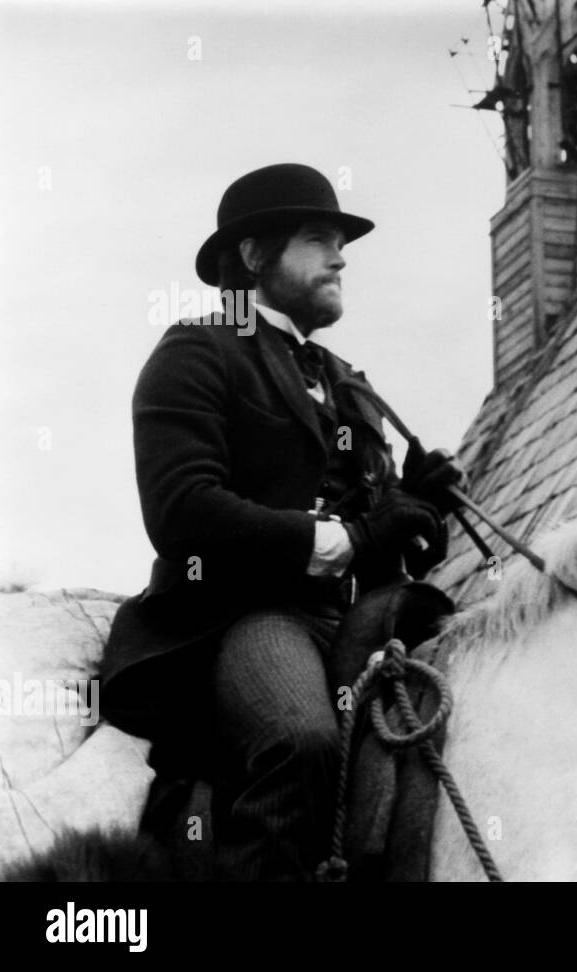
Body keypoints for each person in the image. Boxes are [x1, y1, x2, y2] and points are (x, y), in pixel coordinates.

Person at [100, 163, 464, 880]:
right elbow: (182, 510)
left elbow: (375, 528)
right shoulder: (196, 352)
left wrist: (414, 506)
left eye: (341, 242)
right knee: (302, 742)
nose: (340, 257)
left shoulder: (349, 384)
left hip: (358, 620)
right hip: (244, 616)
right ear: (255, 255)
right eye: (318, 238)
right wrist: (348, 540)